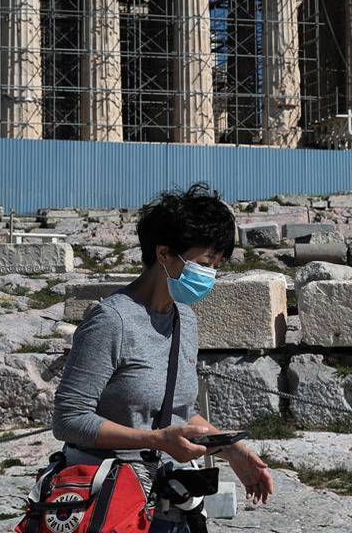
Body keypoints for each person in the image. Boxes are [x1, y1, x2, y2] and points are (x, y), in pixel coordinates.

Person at [52, 183, 273, 531]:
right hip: (110, 501)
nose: (210, 275)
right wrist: (155, 441)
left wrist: (232, 449)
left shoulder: (185, 318)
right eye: (203, 263)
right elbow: (68, 419)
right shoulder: (112, 321)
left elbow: (179, 413)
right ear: (164, 253)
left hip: (170, 503)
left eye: (216, 265)